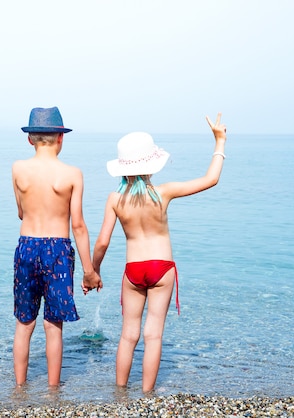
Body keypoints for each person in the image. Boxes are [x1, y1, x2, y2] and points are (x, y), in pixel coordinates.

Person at [92, 113, 227, 393]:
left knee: (128, 335)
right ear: (151, 165)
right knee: (153, 335)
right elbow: (211, 179)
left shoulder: (115, 199)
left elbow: (103, 241)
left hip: (133, 270)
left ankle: (120, 394)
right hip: (161, 268)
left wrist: (93, 271)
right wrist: (220, 141)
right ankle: (147, 395)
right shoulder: (163, 193)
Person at [12, 106, 102, 388]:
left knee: (25, 323)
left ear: (30, 139)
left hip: (27, 247)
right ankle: (53, 391)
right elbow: (78, 227)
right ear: (61, 138)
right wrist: (90, 271)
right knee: (54, 325)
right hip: (58, 251)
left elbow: (21, 213)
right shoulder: (72, 174)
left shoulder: (18, 169)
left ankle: (19, 388)